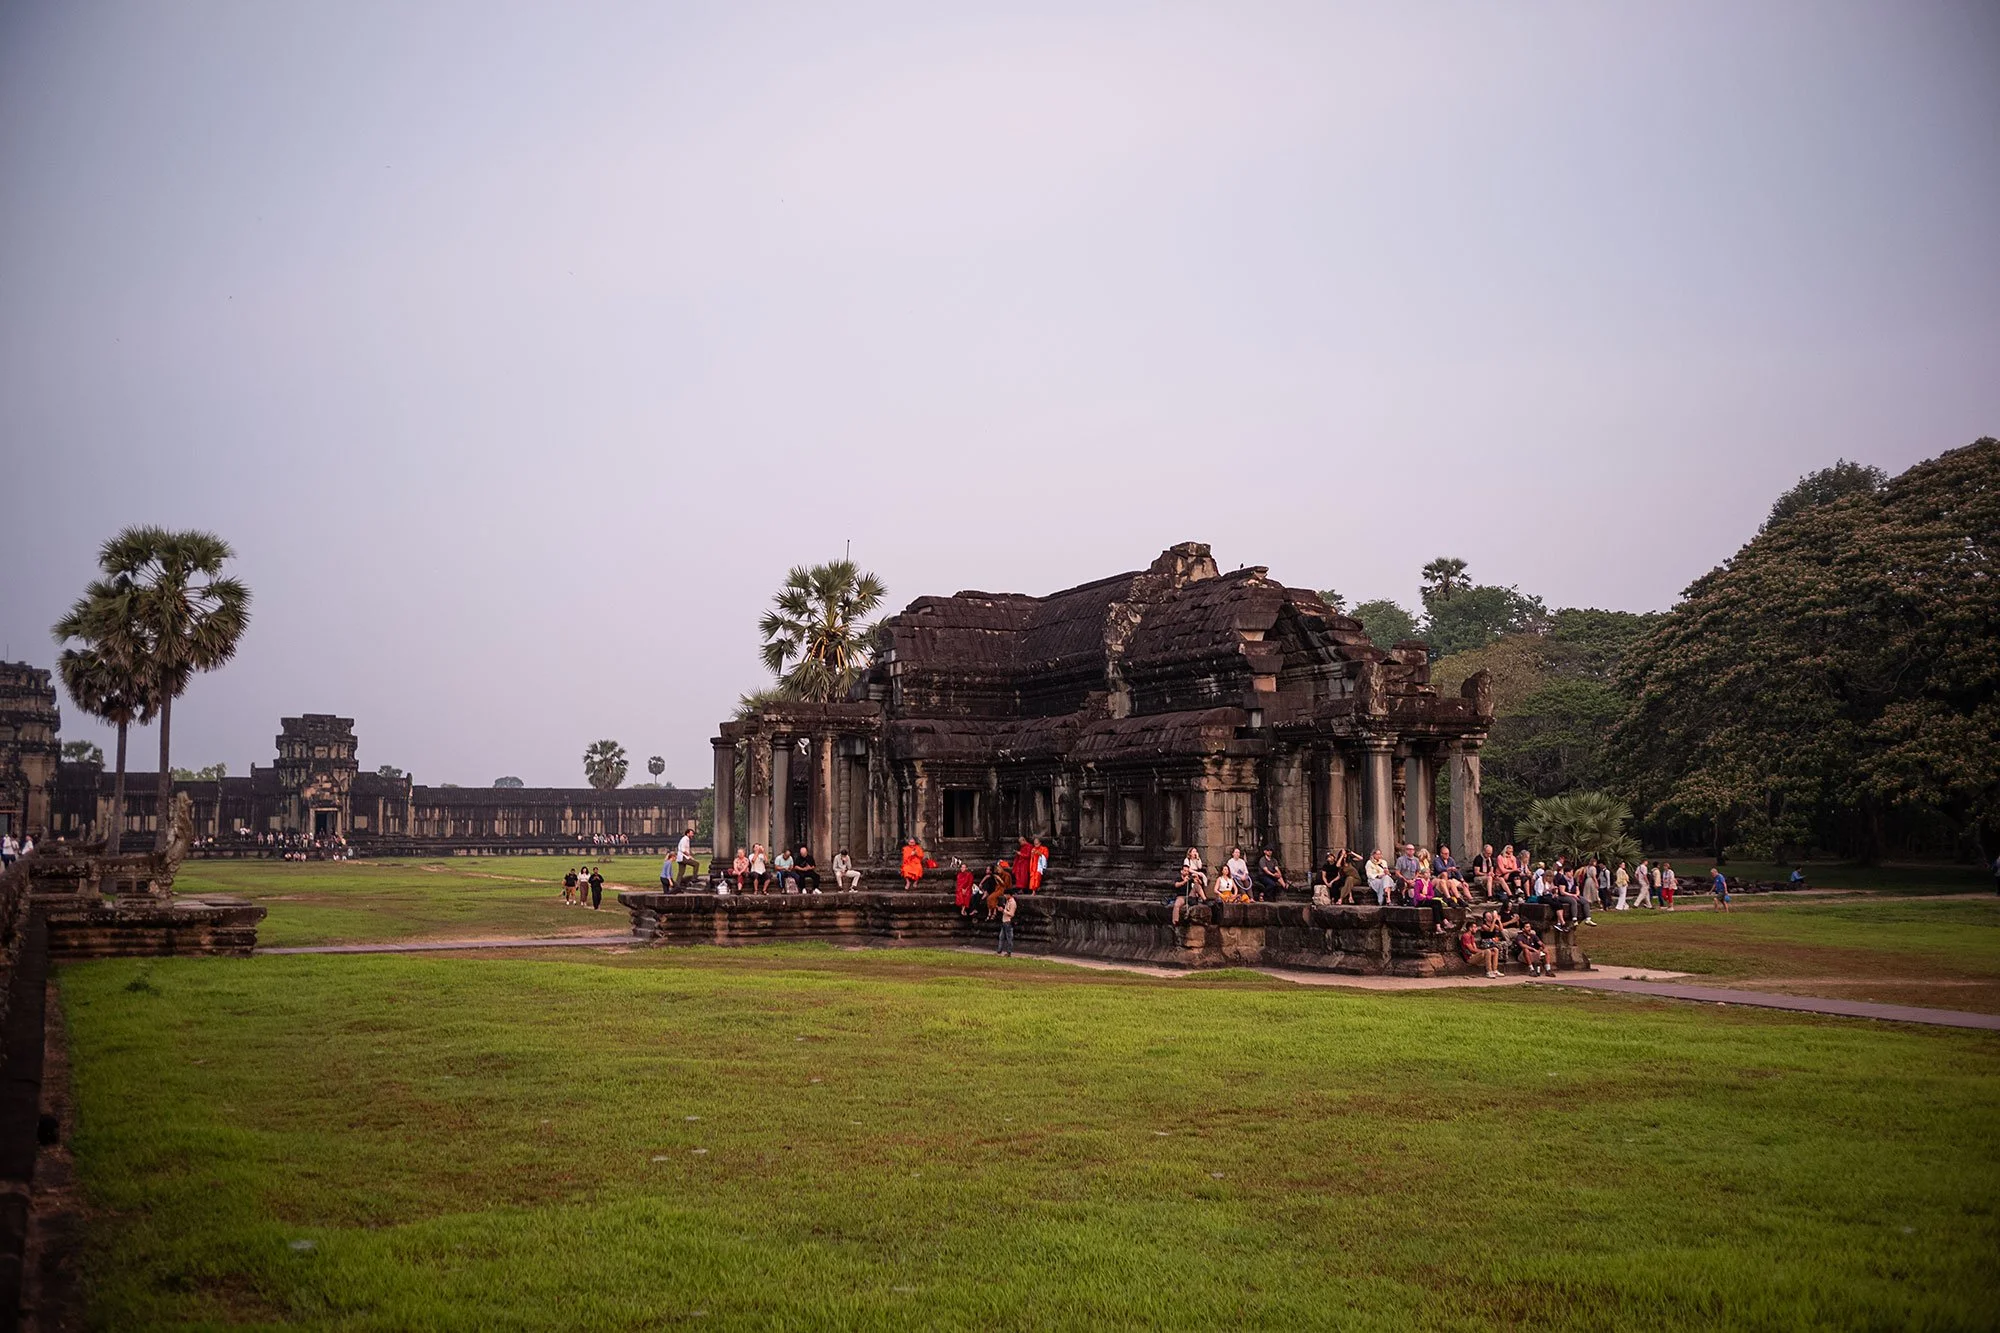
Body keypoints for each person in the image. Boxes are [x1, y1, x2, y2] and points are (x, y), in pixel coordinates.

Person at [997, 885, 1017, 957]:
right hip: (1004, 921)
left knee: (1009, 938)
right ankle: (999, 951)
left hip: (1008, 921)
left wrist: (1003, 910)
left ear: (1009, 895)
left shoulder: (1012, 903)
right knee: (1001, 937)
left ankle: (1009, 952)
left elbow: (1011, 914)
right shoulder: (1007, 901)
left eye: (1005, 894)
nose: (1004, 896)